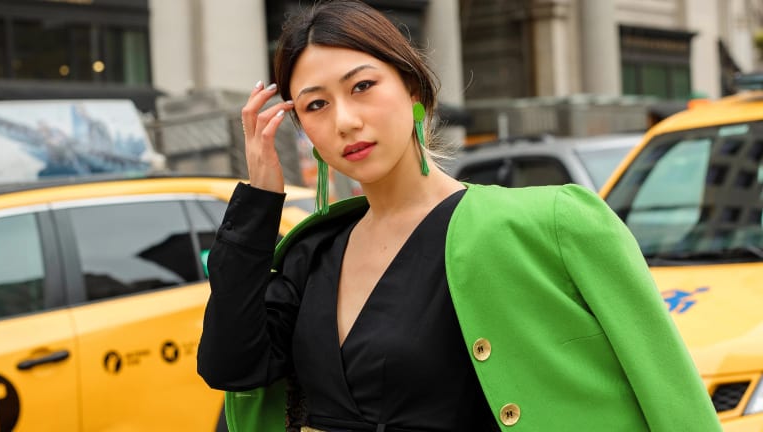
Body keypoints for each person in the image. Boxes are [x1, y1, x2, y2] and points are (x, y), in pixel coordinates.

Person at [197, 1, 722, 431]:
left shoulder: (552, 226)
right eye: (315, 106)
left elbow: (671, 398)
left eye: (362, 87)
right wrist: (259, 202)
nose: (346, 121)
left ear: (413, 89)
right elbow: (231, 365)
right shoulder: (313, 255)